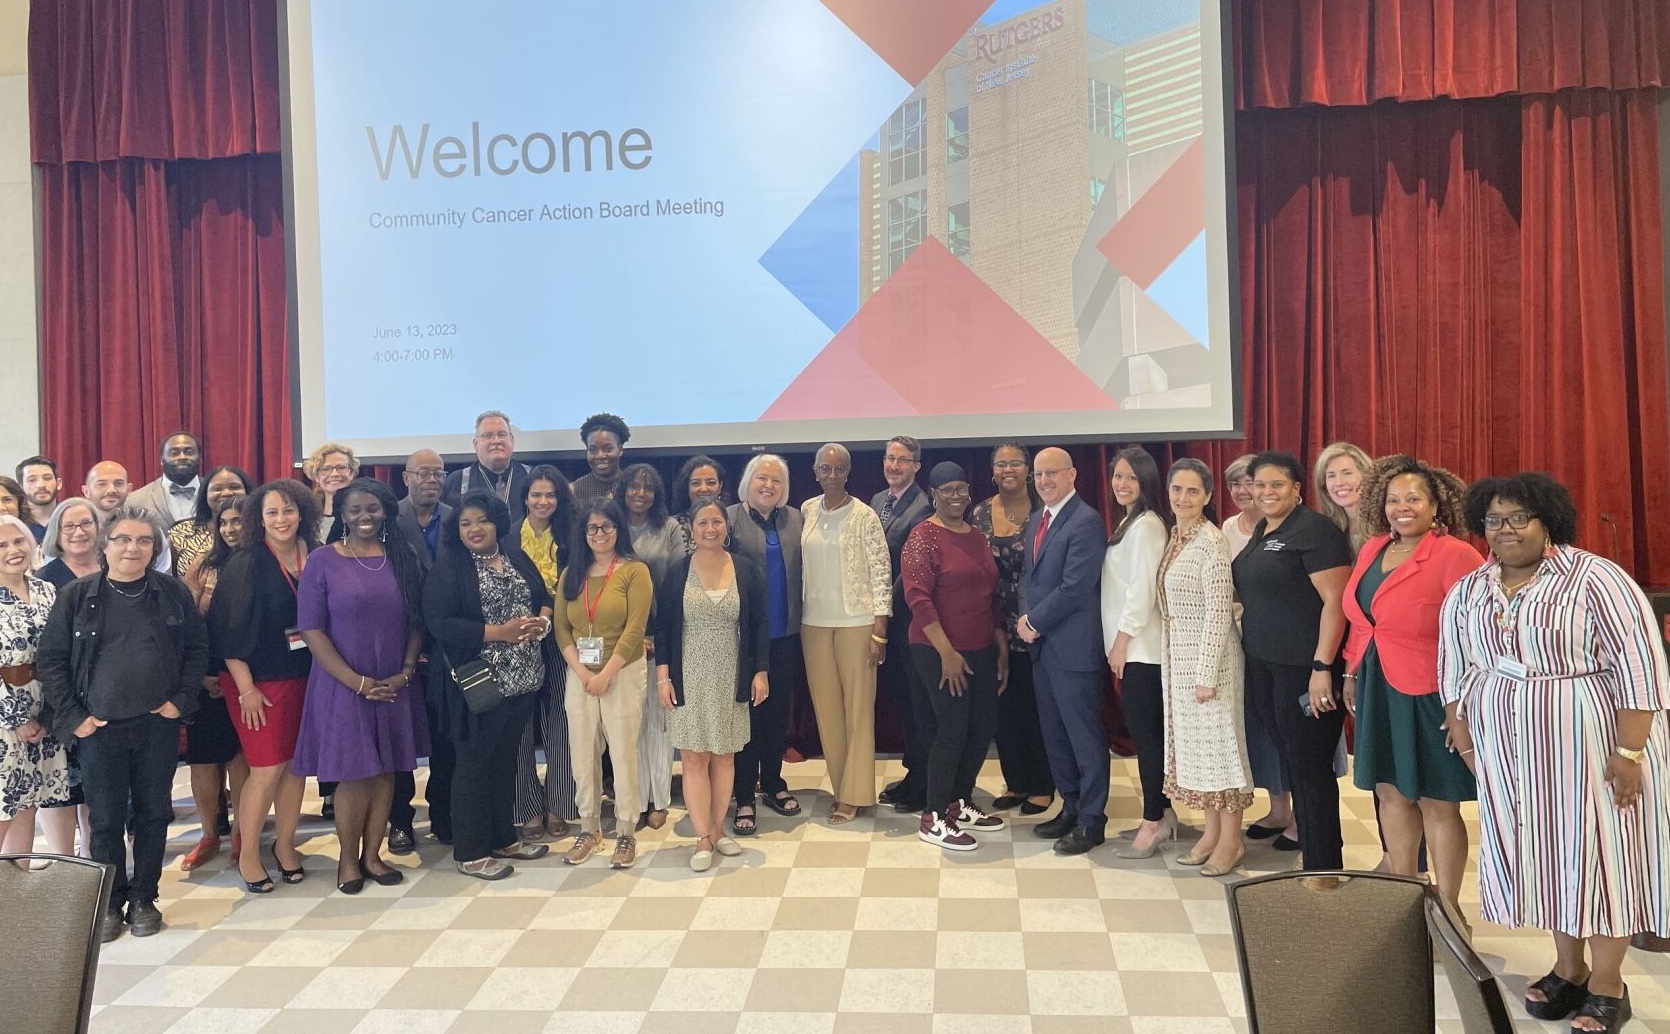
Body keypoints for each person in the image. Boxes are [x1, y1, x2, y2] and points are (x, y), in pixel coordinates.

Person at [1439, 473, 1668, 1032]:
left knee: (1605, 859)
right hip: (1512, 753)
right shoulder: (1472, 588)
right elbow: (1455, 664)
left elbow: (1641, 666)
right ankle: (1569, 969)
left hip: (1592, 745)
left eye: (1521, 517)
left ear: (1548, 521)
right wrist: (1464, 736)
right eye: (1495, 519)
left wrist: (1628, 751)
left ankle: (1610, 985)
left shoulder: (1597, 580)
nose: (1507, 529)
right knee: (1548, 858)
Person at [37, 506, 207, 941]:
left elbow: (196, 651)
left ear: (155, 548)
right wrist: (75, 720)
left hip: (157, 726)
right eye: (124, 539)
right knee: (107, 820)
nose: (133, 547)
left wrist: (179, 702)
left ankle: (146, 899)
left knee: (153, 815)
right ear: (105, 546)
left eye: (144, 540)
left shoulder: (172, 593)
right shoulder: (77, 595)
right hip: (100, 730)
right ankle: (111, 904)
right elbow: (51, 662)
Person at [1342, 455, 1479, 914]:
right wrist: (1351, 670)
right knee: (1389, 790)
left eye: (1413, 498)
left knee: (1436, 799)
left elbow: (1476, 633)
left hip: (1430, 693)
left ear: (1435, 503)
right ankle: (1403, 893)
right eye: (1393, 499)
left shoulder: (1455, 555)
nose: (1402, 507)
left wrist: (1461, 705)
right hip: (1377, 683)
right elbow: (1364, 620)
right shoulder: (1374, 548)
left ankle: (1449, 910)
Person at [293, 479, 428, 894]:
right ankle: (348, 862)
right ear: (342, 515)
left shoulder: (400, 558)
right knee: (355, 774)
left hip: (393, 683)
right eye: (354, 510)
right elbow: (311, 630)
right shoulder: (322, 560)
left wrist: (404, 672)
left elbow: (415, 623)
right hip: (343, 684)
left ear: (386, 511)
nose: (364, 517)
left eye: (372, 508)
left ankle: (374, 855)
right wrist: (358, 683)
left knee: (387, 770)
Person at [1231, 451, 1353, 870]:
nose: (1266, 492)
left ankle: (1324, 866)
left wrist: (1322, 668)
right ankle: (1314, 853)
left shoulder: (1314, 531)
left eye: (1276, 485)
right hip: (1265, 665)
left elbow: (1336, 603)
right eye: (1259, 485)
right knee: (1293, 760)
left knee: (1311, 767)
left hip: (1306, 670)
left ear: (1297, 489)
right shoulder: (1264, 528)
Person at [424, 491, 554, 881]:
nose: (474, 529)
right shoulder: (451, 567)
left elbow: (542, 596)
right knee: (473, 765)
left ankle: (503, 838)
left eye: (481, 520)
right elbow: (440, 622)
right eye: (465, 523)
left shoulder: (513, 555)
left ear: (497, 521)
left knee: (504, 762)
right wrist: (500, 632)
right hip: (478, 683)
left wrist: (543, 622)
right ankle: (470, 851)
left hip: (523, 679)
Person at [211, 480, 321, 893]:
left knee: (295, 767)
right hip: (256, 681)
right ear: (259, 518)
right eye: (272, 512)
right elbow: (226, 632)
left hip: (305, 675)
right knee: (266, 768)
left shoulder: (316, 555)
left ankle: (286, 847)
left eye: (289, 511)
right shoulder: (247, 562)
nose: (281, 520)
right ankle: (249, 854)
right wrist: (246, 690)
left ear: (303, 513)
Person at [654, 497, 768, 870]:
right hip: (689, 675)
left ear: (726, 526)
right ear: (691, 528)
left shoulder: (747, 570)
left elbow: (759, 626)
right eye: (702, 523)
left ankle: (719, 830)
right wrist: (663, 678)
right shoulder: (677, 572)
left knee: (725, 755)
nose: (710, 529)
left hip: (731, 674)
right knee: (693, 757)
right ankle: (701, 837)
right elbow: (664, 629)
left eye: (716, 522)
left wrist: (761, 671)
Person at [902, 462, 1006, 851]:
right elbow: (917, 597)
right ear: (934, 494)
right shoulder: (923, 536)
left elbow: (988, 595)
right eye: (947, 490)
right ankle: (932, 816)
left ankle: (957, 804)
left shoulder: (976, 537)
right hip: (936, 650)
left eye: (962, 489)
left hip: (980, 648)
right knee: (951, 730)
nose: (956, 496)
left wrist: (1000, 648)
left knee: (981, 727)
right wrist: (946, 652)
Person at [1158, 460, 1252, 877]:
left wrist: (1206, 676)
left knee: (1222, 753)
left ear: (1209, 496)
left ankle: (1231, 841)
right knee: (1201, 755)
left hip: (1211, 662)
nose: (1183, 498)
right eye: (1177, 489)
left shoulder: (1212, 542)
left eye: (1193, 491)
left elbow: (1219, 612)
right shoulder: (1178, 537)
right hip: (1182, 657)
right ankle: (1211, 834)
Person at [555, 499, 653, 868]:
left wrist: (606, 673)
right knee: (582, 753)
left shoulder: (634, 571)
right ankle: (590, 827)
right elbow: (563, 630)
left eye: (607, 527)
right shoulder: (571, 574)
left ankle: (626, 831)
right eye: (592, 528)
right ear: (583, 533)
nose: (599, 534)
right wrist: (582, 673)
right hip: (579, 674)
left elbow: (635, 630)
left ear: (618, 530)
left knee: (623, 753)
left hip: (622, 672)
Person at [1019, 448, 1107, 855]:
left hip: (1073, 650)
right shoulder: (1037, 519)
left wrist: (1033, 623)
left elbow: (1075, 587)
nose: (1044, 480)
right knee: (1055, 736)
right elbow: (1029, 579)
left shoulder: (1086, 521)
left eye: (1052, 473)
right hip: (1043, 650)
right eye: (1038, 474)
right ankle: (1069, 807)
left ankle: (1091, 820)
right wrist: (1025, 618)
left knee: (1084, 739)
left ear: (1072, 474)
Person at [801, 443, 891, 825]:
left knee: (857, 710)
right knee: (828, 710)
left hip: (857, 623)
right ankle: (842, 788)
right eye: (825, 469)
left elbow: (881, 570)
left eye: (839, 469)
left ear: (849, 472)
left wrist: (880, 629)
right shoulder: (806, 511)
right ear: (816, 471)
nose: (832, 476)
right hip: (813, 623)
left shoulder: (865, 515)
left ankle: (856, 795)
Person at [969, 443, 1053, 815]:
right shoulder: (979, 513)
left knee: (1037, 707)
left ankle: (1042, 784)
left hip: (1037, 623)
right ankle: (1016, 782)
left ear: (1028, 470)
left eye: (1015, 463)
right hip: (991, 623)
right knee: (1003, 708)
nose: (1008, 469)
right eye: (1000, 464)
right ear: (992, 471)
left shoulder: (1044, 511)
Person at [1099, 446, 1173, 859]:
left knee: (1148, 739)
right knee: (1148, 734)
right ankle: (1163, 813)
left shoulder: (1146, 526)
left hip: (1142, 649)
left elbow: (1142, 590)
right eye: (1117, 477)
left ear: (1146, 481)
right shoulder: (1131, 521)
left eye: (1131, 477)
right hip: (1131, 646)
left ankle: (1153, 821)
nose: (1121, 484)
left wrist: (1122, 641)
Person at [727, 454, 804, 834]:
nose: (768, 486)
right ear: (748, 481)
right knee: (747, 718)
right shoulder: (728, 519)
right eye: (761, 478)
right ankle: (743, 796)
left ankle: (773, 783)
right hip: (743, 636)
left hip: (787, 634)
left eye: (776, 480)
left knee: (777, 714)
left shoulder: (795, 518)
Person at [178, 497, 250, 872]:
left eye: (238, 521)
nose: (230, 529)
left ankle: (242, 835)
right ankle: (209, 834)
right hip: (206, 675)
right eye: (223, 523)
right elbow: (189, 627)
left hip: (251, 678)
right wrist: (203, 677)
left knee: (242, 759)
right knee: (204, 760)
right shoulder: (202, 568)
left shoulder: (263, 563)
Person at [509, 465, 578, 843]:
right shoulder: (506, 539)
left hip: (560, 636)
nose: (542, 501)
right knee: (518, 725)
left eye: (550, 495)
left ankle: (559, 804)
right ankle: (526, 806)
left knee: (560, 723)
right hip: (515, 638)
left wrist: (548, 614)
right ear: (525, 498)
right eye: (536, 495)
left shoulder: (571, 537)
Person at [32, 498, 102, 855]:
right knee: (60, 789)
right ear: (56, 534)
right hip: (59, 700)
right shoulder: (43, 582)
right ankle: (63, 861)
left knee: (95, 787)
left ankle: (93, 859)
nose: (78, 532)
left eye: (85, 523)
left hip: (104, 697)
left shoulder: (114, 568)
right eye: (69, 526)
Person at [0, 515, 71, 857]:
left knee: (28, 803)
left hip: (44, 708)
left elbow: (59, 652)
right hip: (5, 715)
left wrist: (49, 714)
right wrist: (17, 719)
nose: (13, 550)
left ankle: (16, 894)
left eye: (18, 541)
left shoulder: (46, 589)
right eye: (1, 545)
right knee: (3, 807)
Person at [393, 449, 452, 853]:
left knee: (447, 739)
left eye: (438, 473)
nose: (432, 479)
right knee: (401, 737)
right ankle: (399, 820)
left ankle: (444, 814)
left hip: (450, 647)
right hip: (399, 644)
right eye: (423, 473)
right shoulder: (386, 519)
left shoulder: (459, 517)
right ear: (406, 477)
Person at [873, 435, 935, 815]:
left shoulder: (923, 509)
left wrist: (883, 605)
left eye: (902, 460)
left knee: (919, 705)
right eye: (889, 458)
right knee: (904, 704)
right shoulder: (879, 501)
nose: (894, 465)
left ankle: (924, 782)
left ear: (916, 466)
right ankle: (913, 774)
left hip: (909, 620)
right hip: (887, 623)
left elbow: (907, 573)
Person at [621, 463, 682, 830]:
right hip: (621, 641)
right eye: (633, 487)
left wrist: (658, 635)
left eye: (648, 487)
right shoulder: (611, 526)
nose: (640, 493)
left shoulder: (669, 527)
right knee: (630, 723)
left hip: (659, 636)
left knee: (659, 722)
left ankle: (658, 799)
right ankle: (636, 797)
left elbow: (676, 583)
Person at [442, 410, 533, 521]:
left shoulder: (531, 476)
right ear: (476, 444)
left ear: (512, 441)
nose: (496, 441)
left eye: (502, 434)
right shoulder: (457, 482)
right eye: (488, 436)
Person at [167, 465, 253, 577]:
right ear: (205, 494)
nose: (226, 493)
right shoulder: (180, 533)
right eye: (217, 489)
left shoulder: (261, 531)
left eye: (234, 487)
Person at [128, 432, 203, 525]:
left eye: (189, 452)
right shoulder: (136, 501)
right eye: (174, 453)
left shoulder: (217, 494)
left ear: (200, 458)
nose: (182, 457)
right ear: (161, 460)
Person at [1314, 442, 1373, 556]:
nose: (1339, 482)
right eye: (1331, 475)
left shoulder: (1385, 523)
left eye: (1347, 473)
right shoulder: (1325, 528)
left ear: (1366, 475)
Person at [303, 443, 359, 543]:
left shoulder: (363, 509)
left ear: (351, 473)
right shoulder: (307, 512)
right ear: (316, 476)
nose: (334, 474)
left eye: (341, 467)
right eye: (325, 469)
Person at [570, 412, 631, 504]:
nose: (600, 455)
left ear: (620, 449)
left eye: (608, 449)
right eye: (593, 450)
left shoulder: (632, 488)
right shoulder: (574, 491)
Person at [674, 455, 726, 550]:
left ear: (720, 487)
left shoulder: (732, 520)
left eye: (710, 483)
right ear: (687, 487)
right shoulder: (673, 526)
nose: (704, 489)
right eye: (696, 483)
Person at [16, 456, 61, 541]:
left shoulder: (70, 517)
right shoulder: (16, 522)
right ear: (20, 487)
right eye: (32, 480)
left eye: (47, 478)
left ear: (58, 483)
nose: (41, 485)